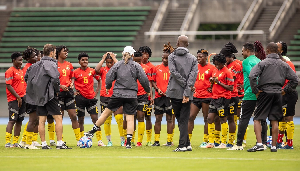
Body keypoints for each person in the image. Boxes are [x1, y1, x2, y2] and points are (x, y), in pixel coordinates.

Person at [85, 46, 150, 149]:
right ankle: (128, 143)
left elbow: (109, 77)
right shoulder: (136, 65)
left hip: (117, 94)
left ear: (123, 54)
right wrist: (148, 90)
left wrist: (108, 86)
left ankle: (92, 131)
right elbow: (144, 80)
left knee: (106, 113)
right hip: (131, 95)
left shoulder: (118, 64)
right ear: (133, 55)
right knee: (130, 118)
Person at [248, 42, 298, 152]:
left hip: (265, 92)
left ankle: (260, 144)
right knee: (274, 120)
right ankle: (274, 146)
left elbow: (252, 75)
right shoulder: (284, 64)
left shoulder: (263, 63)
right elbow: (295, 79)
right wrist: (285, 90)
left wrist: (256, 90)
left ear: (268, 51)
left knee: (257, 119)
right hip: (278, 93)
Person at [25, 44, 71, 149]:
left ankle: (44, 144)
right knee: (58, 118)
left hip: (39, 96)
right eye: (55, 53)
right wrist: (56, 90)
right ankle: (59, 143)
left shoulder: (35, 65)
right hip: (50, 95)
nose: (55, 55)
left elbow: (26, 77)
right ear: (51, 53)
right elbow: (55, 78)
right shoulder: (51, 64)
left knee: (41, 120)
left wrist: (36, 88)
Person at [166, 35, 198, 152]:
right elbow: (192, 77)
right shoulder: (193, 59)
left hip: (174, 92)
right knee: (182, 118)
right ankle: (187, 143)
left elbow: (173, 72)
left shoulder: (171, 57)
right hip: (187, 93)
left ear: (177, 43)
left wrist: (184, 86)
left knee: (181, 118)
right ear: (188, 44)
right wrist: (187, 90)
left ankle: (182, 145)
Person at [228, 43, 261, 150]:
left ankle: (238, 145)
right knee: (261, 118)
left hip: (250, 94)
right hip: (260, 93)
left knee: (244, 118)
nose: (241, 53)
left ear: (247, 50)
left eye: (242, 51)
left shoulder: (246, 61)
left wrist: (254, 89)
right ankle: (263, 143)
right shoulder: (259, 61)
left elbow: (252, 75)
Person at [72, 52, 103, 146]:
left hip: (91, 98)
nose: (85, 61)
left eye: (86, 60)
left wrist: (96, 92)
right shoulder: (75, 72)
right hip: (80, 98)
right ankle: (80, 139)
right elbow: (71, 82)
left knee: (95, 119)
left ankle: (99, 140)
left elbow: (99, 80)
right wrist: (73, 92)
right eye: (83, 60)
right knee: (80, 120)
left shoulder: (92, 71)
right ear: (79, 61)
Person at [187, 49, 216, 148]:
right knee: (190, 117)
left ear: (206, 57)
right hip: (196, 96)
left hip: (207, 97)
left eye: (200, 57)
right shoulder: (195, 67)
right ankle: (188, 140)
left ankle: (205, 140)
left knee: (206, 119)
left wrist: (211, 87)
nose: (198, 58)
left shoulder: (212, 68)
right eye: (197, 56)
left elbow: (215, 81)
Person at [205, 53, 234, 148]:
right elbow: (214, 83)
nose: (216, 65)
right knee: (210, 118)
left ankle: (223, 142)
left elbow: (230, 87)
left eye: (218, 64)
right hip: (214, 97)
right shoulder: (215, 70)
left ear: (223, 62)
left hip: (224, 98)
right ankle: (211, 142)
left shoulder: (228, 72)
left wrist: (219, 82)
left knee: (222, 119)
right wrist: (211, 85)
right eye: (215, 63)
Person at [96, 52, 124, 146]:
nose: (109, 64)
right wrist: (103, 59)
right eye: (107, 62)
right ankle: (109, 141)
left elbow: (122, 67)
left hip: (116, 95)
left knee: (119, 118)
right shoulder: (103, 70)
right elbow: (96, 69)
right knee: (107, 120)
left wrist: (114, 58)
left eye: (110, 62)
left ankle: (122, 140)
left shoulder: (117, 69)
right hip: (105, 96)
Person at [56, 45, 81, 144]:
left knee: (74, 116)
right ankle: (60, 140)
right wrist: (60, 86)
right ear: (58, 53)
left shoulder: (69, 65)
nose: (66, 53)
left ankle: (79, 140)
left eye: (67, 51)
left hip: (69, 93)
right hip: (59, 93)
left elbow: (72, 77)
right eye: (64, 51)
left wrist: (71, 84)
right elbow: (53, 79)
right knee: (59, 118)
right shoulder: (54, 65)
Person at [151, 42, 175, 146]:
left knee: (170, 119)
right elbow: (152, 81)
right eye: (163, 58)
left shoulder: (174, 69)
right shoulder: (156, 68)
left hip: (170, 97)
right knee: (157, 119)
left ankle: (169, 141)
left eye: (166, 58)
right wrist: (157, 89)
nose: (164, 60)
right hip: (158, 97)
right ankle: (156, 141)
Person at [219, 42, 241, 148]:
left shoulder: (236, 66)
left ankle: (231, 142)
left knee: (231, 119)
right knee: (222, 118)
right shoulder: (225, 66)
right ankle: (223, 141)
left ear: (230, 57)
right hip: (223, 96)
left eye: (225, 58)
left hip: (232, 95)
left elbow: (231, 80)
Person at [276, 41, 298, 149]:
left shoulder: (288, 63)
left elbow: (294, 80)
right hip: (281, 93)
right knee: (282, 118)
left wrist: (285, 90)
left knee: (288, 118)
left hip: (289, 94)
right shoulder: (277, 63)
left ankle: (289, 143)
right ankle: (279, 142)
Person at [20, 47, 40, 149]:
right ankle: (28, 143)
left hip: (34, 96)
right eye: (34, 56)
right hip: (31, 96)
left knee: (35, 120)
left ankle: (25, 141)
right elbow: (31, 83)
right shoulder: (29, 68)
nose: (36, 57)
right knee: (33, 120)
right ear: (28, 59)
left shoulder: (32, 66)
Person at [5, 52, 26, 148]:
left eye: (22, 60)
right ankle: (7, 142)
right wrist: (17, 97)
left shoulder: (20, 71)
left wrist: (22, 97)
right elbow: (8, 85)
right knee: (12, 120)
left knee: (19, 121)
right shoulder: (10, 71)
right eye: (19, 60)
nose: (21, 62)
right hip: (14, 100)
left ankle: (15, 142)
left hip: (22, 98)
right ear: (14, 60)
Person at [132, 51, 153, 146]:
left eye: (138, 61)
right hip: (131, 95)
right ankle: (130, 139)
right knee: (131, 117)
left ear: (141, 59)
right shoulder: (129, 68)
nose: (136, 63)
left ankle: (139, 141)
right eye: (135, 61)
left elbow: (149, 83)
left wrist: (150, 95)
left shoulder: (147, 68)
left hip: (143, 95)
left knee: (141, 117)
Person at [139, 46, 154, 145]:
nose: (145, 55)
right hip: (136, 96)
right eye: (143, 53)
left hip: (147, 96)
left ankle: (148, 140)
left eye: (146, 53)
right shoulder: (135, 65)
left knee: (147, 117)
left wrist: (151, 96)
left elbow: (151, 83)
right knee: (136, 117)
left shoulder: (151, 67)